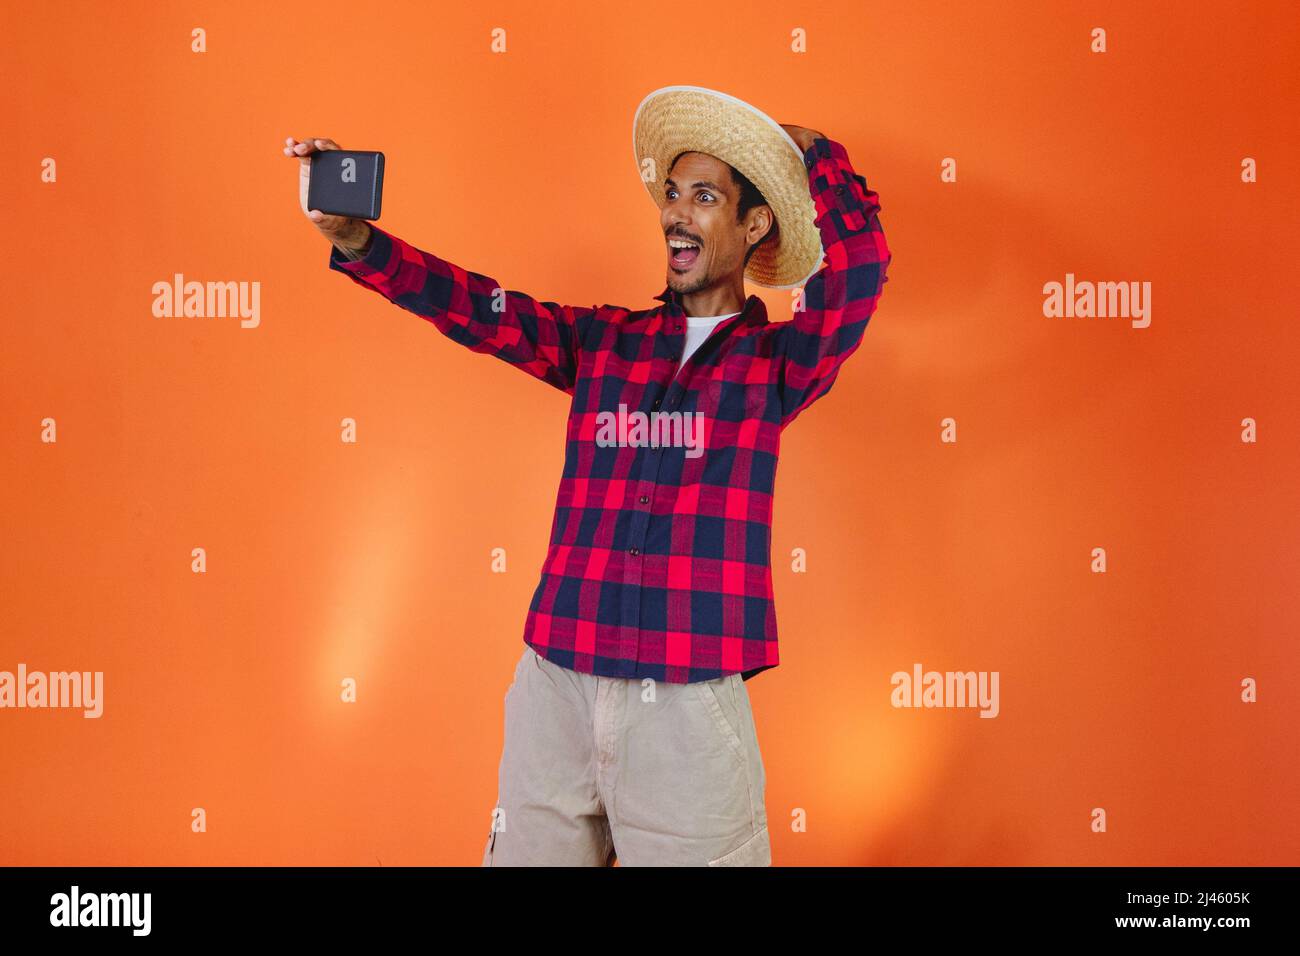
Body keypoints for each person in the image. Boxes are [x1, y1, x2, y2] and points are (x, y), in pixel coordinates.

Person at [284, 86, 891, 866]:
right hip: (556, 689)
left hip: (687, 700)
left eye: (704, 197)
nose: (676, 213)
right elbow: (479, 309)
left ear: (754, 225)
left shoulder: (778, 365)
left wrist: (817, 155)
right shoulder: (603, 340)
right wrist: (360, 241)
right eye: (671, 195)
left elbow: (861, 273)